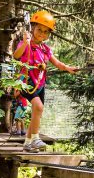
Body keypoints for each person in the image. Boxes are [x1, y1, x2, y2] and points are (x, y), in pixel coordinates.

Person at [13, 10, 78, 152]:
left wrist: (68, 68)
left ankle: (28, 143)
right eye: (39, 30)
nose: (42, 34)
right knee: (39, 107)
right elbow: (16, 55)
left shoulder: (45, 49)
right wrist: (25, 43)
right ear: (33, 28)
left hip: (40, 83)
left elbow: (57, 63)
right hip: (26, 81)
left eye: (45, 32)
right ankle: (35, 138)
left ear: (48, 34)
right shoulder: (26, 44)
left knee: (37, 112)